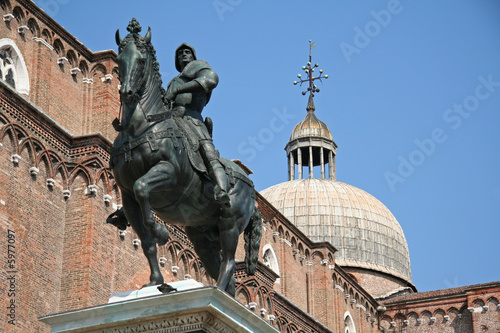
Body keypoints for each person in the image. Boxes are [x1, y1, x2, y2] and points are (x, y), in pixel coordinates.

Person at [165, 43, 230, 206]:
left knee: (209, 155)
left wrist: (178, 91)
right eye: (180, 53)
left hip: (192, 119)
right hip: (172, 119)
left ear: (193, 56)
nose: (183, 55)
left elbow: (211, 80)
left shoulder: (199, 67)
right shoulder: (173, 81)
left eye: (187, 52)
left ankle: (222, 190)